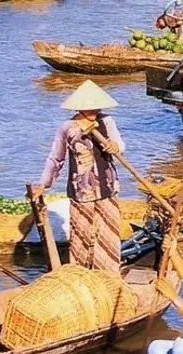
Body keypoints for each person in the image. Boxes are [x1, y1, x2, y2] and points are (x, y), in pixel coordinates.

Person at [37, 80, 125, 274]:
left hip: (108, 188)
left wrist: (115, 147)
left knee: (108, 235)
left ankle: (109, 276)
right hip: (81, 191)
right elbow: (56, 158)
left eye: (96, 107)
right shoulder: (67, 128)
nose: (94, 111)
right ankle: (80, 275)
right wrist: (43, 185)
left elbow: (119, 145)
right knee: (81, 235)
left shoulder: (107, 122)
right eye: (89, 108)